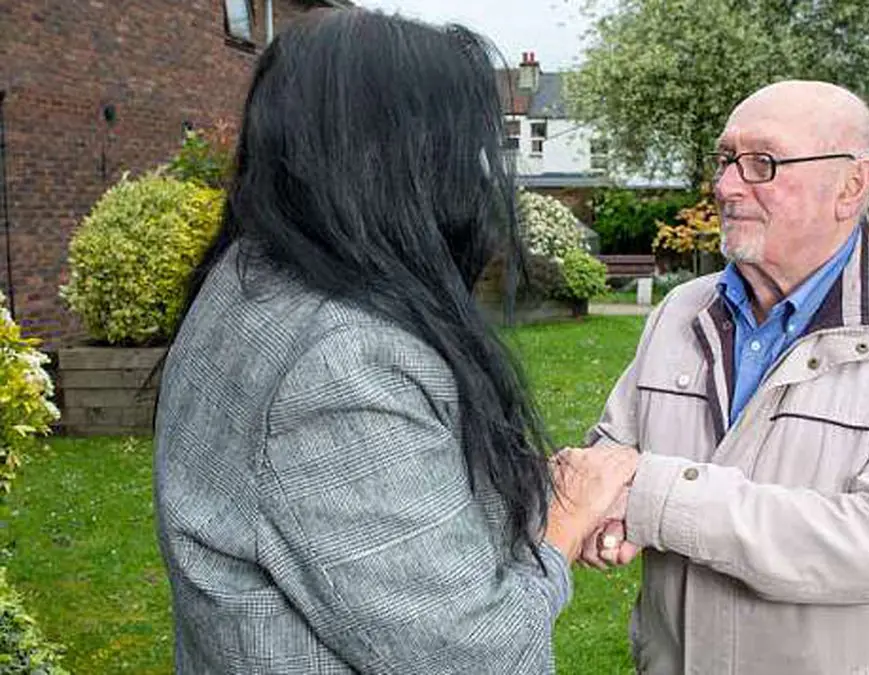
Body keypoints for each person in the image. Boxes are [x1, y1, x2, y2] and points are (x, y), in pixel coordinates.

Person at [152, 9, 636, 674]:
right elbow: (481, 654)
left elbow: (383, 507)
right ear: (404, 160)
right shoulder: (337, 363)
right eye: (461, 150)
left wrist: (538, 498)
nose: (474, 178)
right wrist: (567, 520)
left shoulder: (251, 278)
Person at [581, 81, 869, 674]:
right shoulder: (680, 311)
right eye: (726, 159)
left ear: (851, 186)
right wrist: (603, 511)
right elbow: (612, 454)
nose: (726, 186)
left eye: (762, 164)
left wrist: (652, 500)